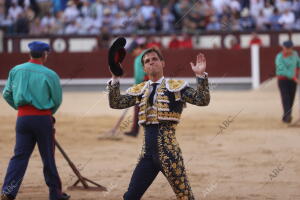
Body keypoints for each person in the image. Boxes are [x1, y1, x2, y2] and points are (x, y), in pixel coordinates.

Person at [107, 48, 210, 200]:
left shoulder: (176, 87)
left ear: (163, 63)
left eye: (154, 59)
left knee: (185, 196)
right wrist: (115, 78)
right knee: (130, 197)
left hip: (170, 154)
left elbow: (202, 100)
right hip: (147, 156)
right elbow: (116, 103)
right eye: (147, 61)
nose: (151, 62)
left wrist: (200, 76)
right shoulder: (140, 90)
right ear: (144, 68)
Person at [1, 41, 70, 200]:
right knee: (48, 157)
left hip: (22, 120)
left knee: (19, 156)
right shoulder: (50, 74)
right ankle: (55, 194)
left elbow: (6, 94)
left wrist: (21, 109)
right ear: (45, 54)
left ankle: (8, 191)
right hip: (42, 119)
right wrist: (48, 114)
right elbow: (57, 100)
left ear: (30, 54)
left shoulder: (16, 70)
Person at [124, 38, 148, 137]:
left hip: (144, 86)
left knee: (139, 109)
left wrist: (139, 86)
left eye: (132, 51)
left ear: (137, 48)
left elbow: (141, 75)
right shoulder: (145, 55)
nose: (132, 54)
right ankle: (136, 130)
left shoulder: (142, 57)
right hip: (144, 86)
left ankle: (135, 131)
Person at [275, 40, 300, 123]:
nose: (289, 50)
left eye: (290, 48)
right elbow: (283, 70)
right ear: (283, 48)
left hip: (293, 81)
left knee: (291, 98)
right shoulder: (279, 57)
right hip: (283, 80)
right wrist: (294, 78)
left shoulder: (295, 54)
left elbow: (298, 63)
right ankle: (287, 116)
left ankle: (286, 116)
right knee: (286, 98)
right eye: (287, 48)